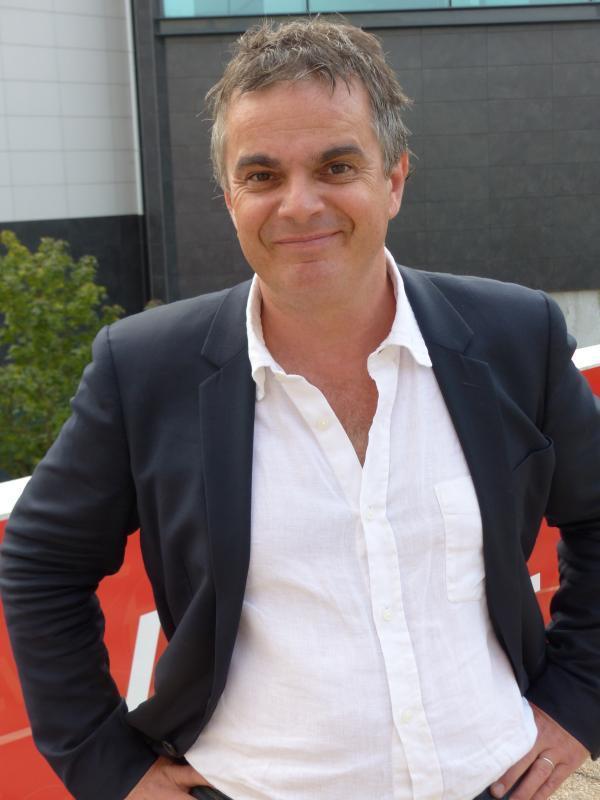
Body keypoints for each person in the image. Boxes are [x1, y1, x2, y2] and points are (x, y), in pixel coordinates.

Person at [1, 17, 599, 800]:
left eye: (336, 165)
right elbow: (41, 562)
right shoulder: (144, 369)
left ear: (394, 180)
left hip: (491, 782)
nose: (299, 204)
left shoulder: (515, 334)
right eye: (261, 176)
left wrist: (579, 697)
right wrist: (108, 767)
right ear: (229, 198)